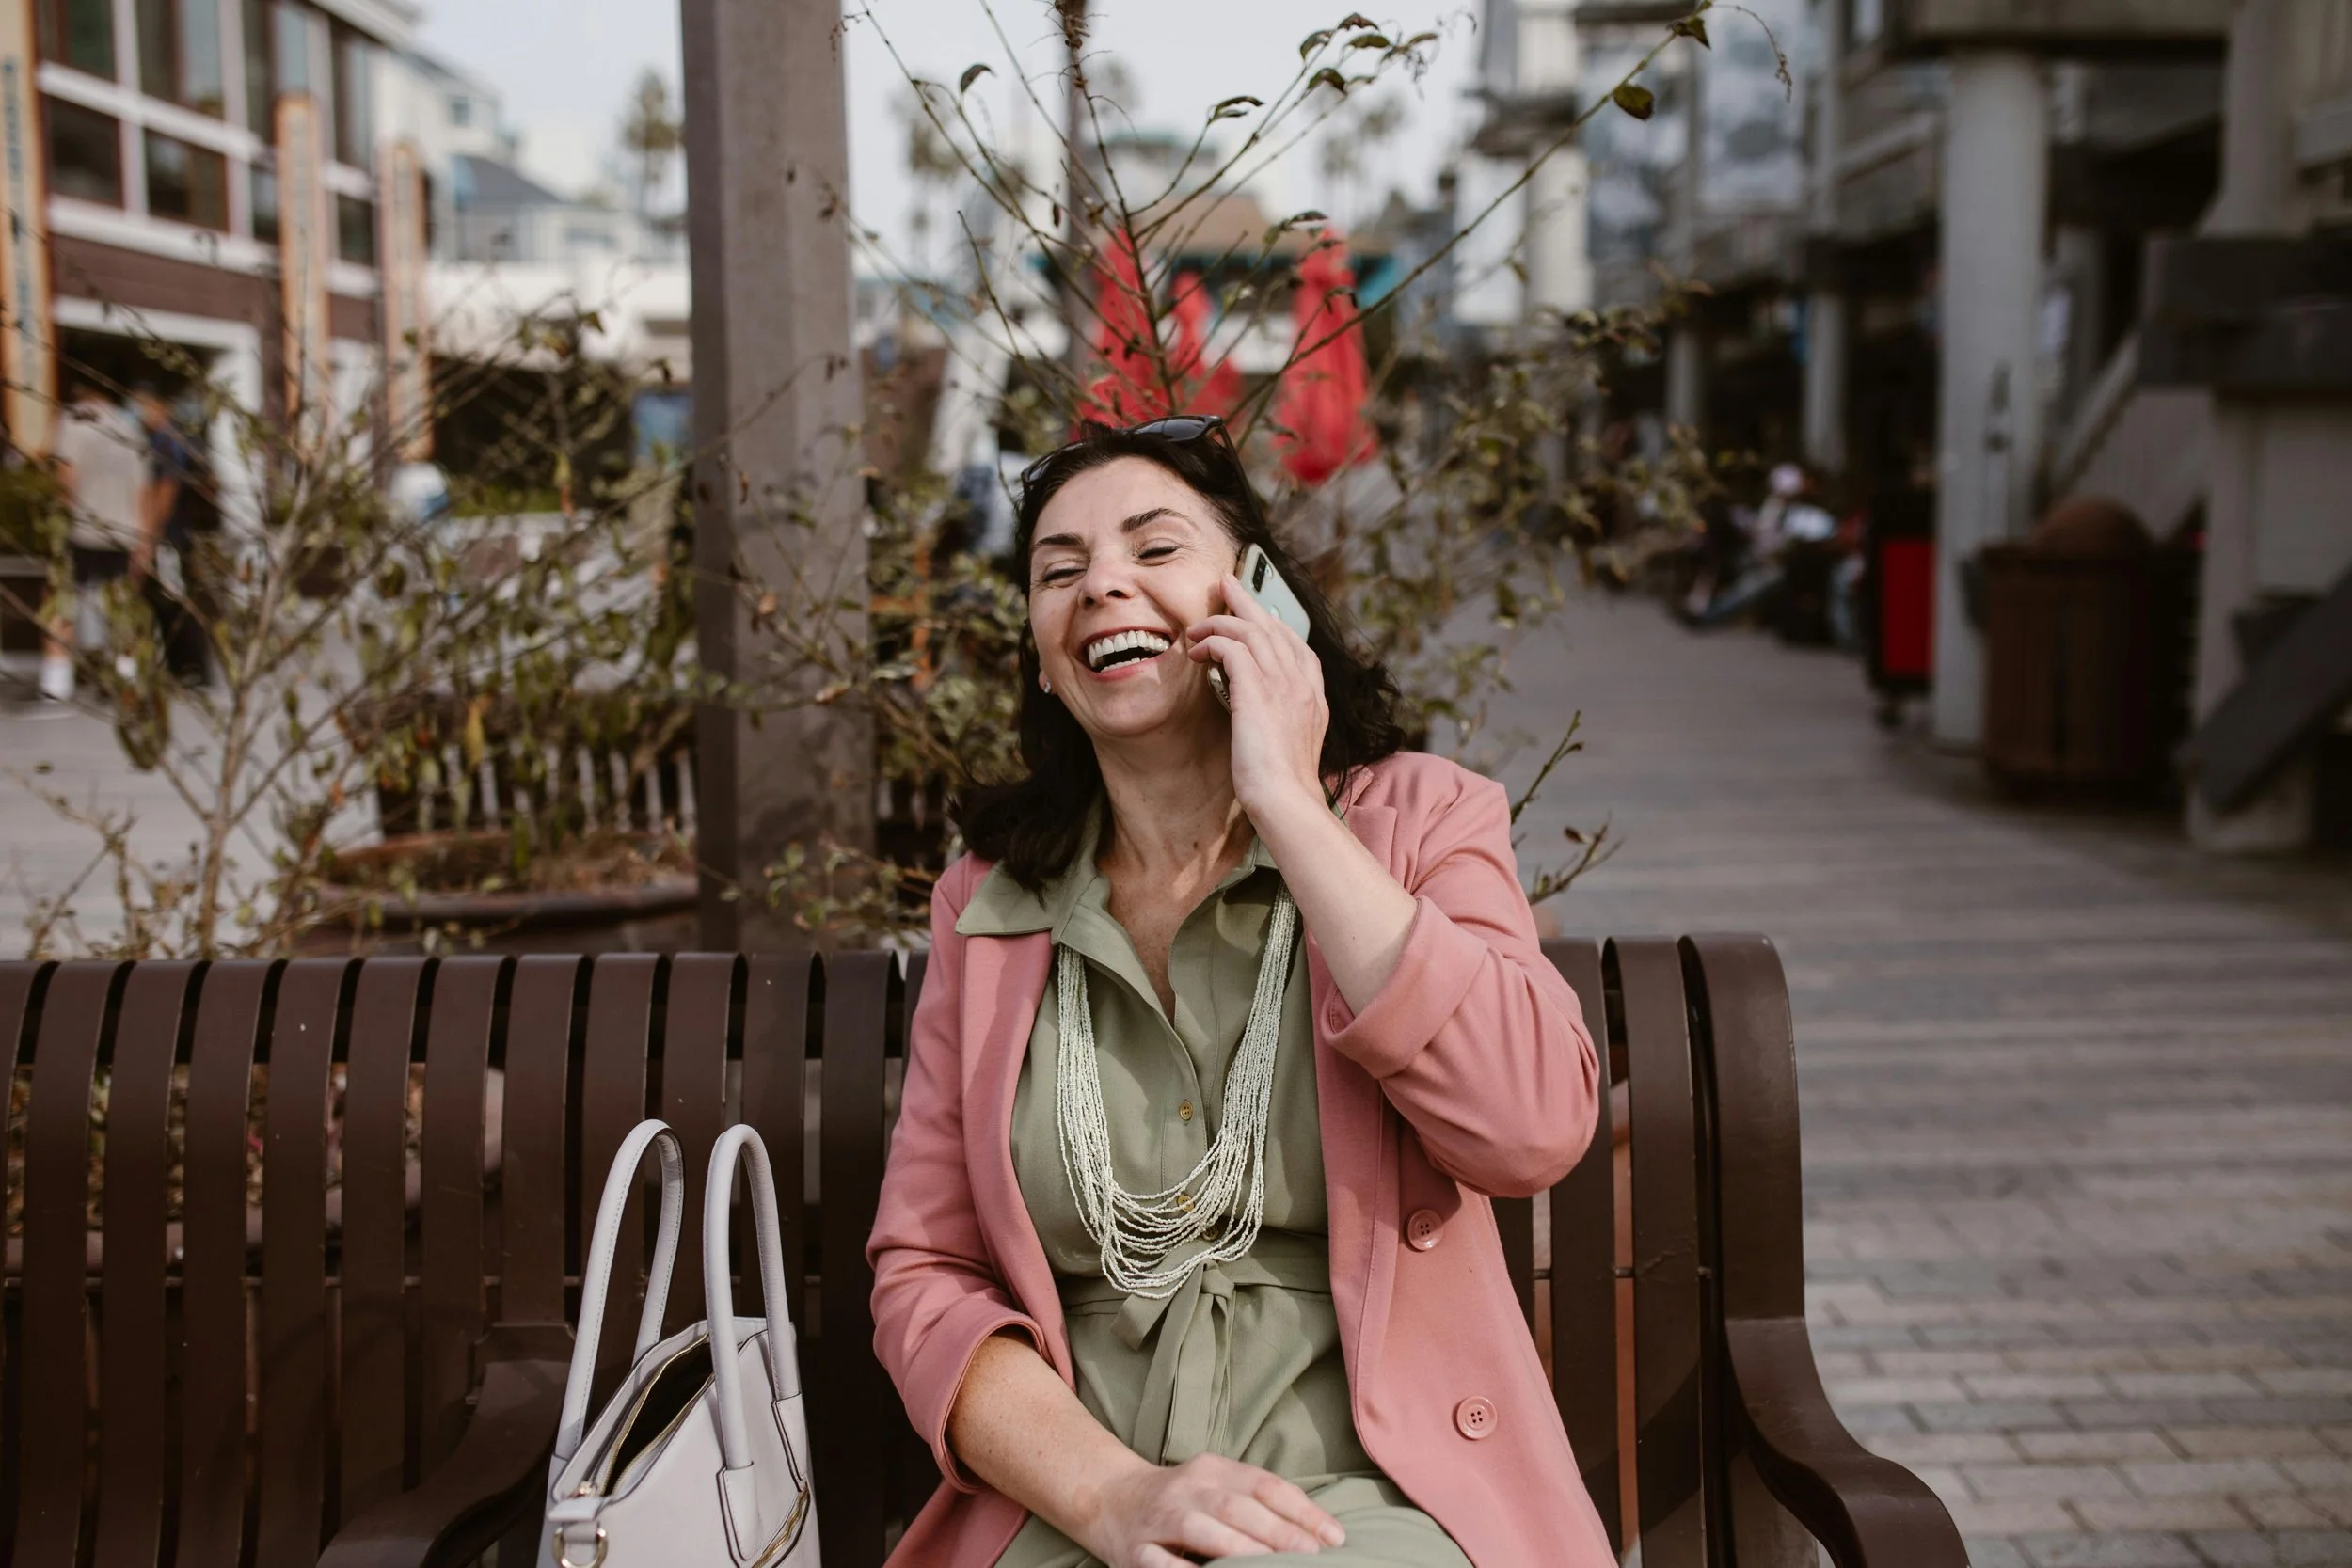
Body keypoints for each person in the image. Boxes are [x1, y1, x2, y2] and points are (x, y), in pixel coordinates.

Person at [868, 415, 1612, 1568]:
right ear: (1042, 657)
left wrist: (1291, 806)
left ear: (1259, 599)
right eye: (1059, 570)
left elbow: (1531, 1126)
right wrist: (1113, 1495)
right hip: (1083, 1502)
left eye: (1154, 547)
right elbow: (928, 1274)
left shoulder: (1418, 822)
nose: (1101, 583)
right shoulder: (989, 904)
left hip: (1378, 1493)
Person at [40, 383, 147, 704]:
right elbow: (141, 488)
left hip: (82, 527)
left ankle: (57, 680)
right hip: (123, 529)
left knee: (60, 599)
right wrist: (143, 536)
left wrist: (58, 520)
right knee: (120, 604)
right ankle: (125, 676)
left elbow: (66, 475)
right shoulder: (129, 427)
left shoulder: (75, 419)